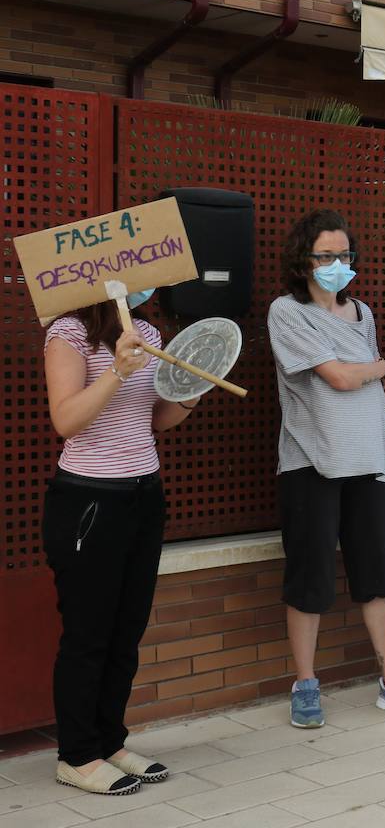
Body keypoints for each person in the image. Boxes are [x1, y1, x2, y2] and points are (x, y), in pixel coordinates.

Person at [42, 290, 200, 794]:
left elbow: (155, 420)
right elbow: (66, 419)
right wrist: (116, 370)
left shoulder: (148, 334)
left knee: (126, 631)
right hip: (90, 500)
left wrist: (191, 394)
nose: (142, 285)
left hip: (143, 493)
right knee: (89, 634)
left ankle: (110, 741)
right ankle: (77, 754)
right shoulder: (67, 333)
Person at [268, 209, 385, 728]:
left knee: (375, 573)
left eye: (344, 255)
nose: (336, 264)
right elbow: (341, 378)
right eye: (325, 255)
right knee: (310, 576)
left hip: (369, 462)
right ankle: (305, 682)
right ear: (303, 260)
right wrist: (378, 369)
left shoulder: (363, 314)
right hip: (311, 463)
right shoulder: (287, 312)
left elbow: (371, 377)